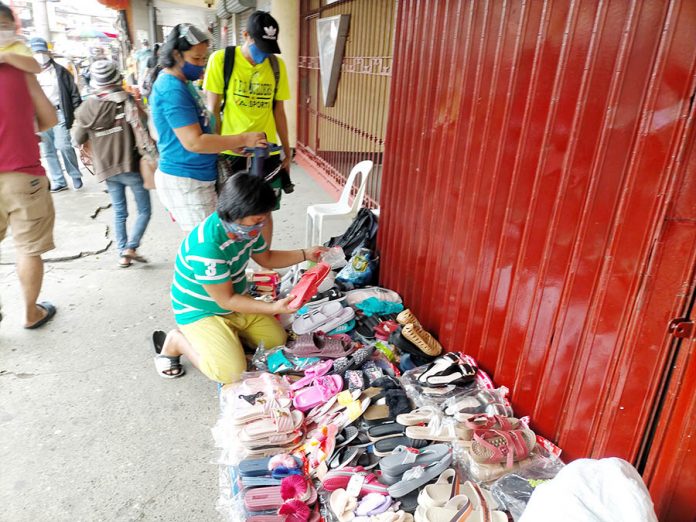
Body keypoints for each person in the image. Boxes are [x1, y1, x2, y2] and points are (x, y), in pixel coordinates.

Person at [153, 173, 326, 382]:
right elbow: (226, 300)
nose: (262, 225)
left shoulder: (245, 231)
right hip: (201, 311)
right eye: (258, 220)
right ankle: (176, 341)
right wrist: (273, 308)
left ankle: (228, 338)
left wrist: (306, 254)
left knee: (276, 340)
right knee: (231, 373)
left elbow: (267, 259)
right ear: (236, 213)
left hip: (234, 302)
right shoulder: (207, 248)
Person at [150, 23, 267, 232]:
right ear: (176, 55)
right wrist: (243, 139)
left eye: (204, 58)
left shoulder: (182, 83)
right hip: (186, 179)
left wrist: (226, 145)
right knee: (205, 247)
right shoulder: (171, 89)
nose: (202, 65)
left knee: (214, 239)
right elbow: (194, 142)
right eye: (196, 59)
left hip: (199, 176)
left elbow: (203, 132)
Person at [203, 10, 294, 247]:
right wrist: (217, 147)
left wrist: (286, 150)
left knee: (265, 209)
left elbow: (279, 111)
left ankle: (264, 261)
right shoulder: (222, 61)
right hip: (233, 152)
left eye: (269, 48)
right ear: (245, 35)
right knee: (232, 209)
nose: (263, 54)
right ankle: (235, 256)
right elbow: (212, 110)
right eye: (260, 46)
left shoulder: (276, 66)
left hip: (266, 152)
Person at [0, 33, 60, 329]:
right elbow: (49, 118)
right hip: (22, 175)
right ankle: (30, 313)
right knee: (28, 249)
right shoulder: (21, 71)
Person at [71, 60, 152, 268]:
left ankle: (123, 254)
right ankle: (131, 248)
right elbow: (144, 128)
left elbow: (77, 139)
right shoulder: (127, 101)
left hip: (106, 168)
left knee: (119, 211)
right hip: (130, 166)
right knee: (144, 210)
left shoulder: (85, 108)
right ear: (117, 78)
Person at [30, 36, 84, 193]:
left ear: (48, 52)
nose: (40, 55)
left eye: (42, 51)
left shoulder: (60, 71)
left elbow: (74, 93)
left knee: (63, 145)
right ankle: (59, 181)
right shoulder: (28, 73)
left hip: (59, 112)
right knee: (48, 150)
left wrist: (75, 113)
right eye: (36, 52)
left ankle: (75, 175)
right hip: (39, 115)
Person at [0, 3, 40, 74]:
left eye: (4, 25)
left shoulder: (19, 47)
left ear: (14, 26)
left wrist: (6, 56)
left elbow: (36, 68)